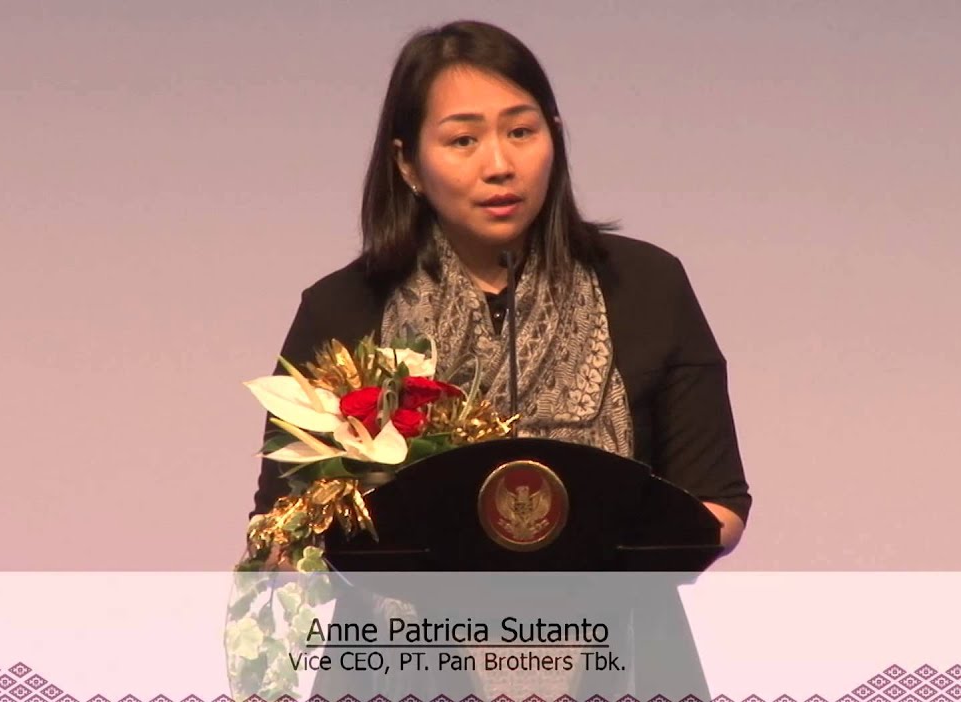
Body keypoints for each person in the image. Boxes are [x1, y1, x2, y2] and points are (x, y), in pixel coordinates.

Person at [250, 19, 751, 554]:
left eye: (520, 132)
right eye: (462, 140)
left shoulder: (649, 285)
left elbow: (718, 502)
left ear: (553, 136)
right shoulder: (340, 310)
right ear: (408, 163)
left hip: (612, 629)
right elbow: (280, 521)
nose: (499, 165)